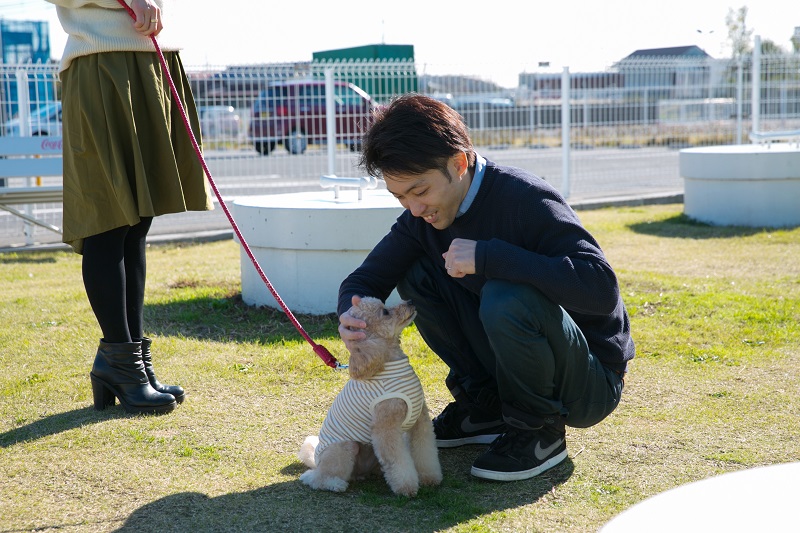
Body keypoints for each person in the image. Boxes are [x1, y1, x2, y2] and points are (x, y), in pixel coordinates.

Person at [337, 94, 634, 481]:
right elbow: (364, 280)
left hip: (588, 382)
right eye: (400, 196)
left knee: (505, 294)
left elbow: (600, 289)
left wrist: (492, 257)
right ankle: (486, 406)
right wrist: (350, 315)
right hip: (516, 363)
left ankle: (537, 430)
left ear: (458, 163)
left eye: (420, 191)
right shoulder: (421, 220)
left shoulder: (525, 198)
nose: (413, 208)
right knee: (416, 273)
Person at [47, 0, 213, 415]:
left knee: (138, 221)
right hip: (101, 63)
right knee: (109, 219)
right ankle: (121, 363)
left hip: (155, 61)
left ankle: (132, 363)